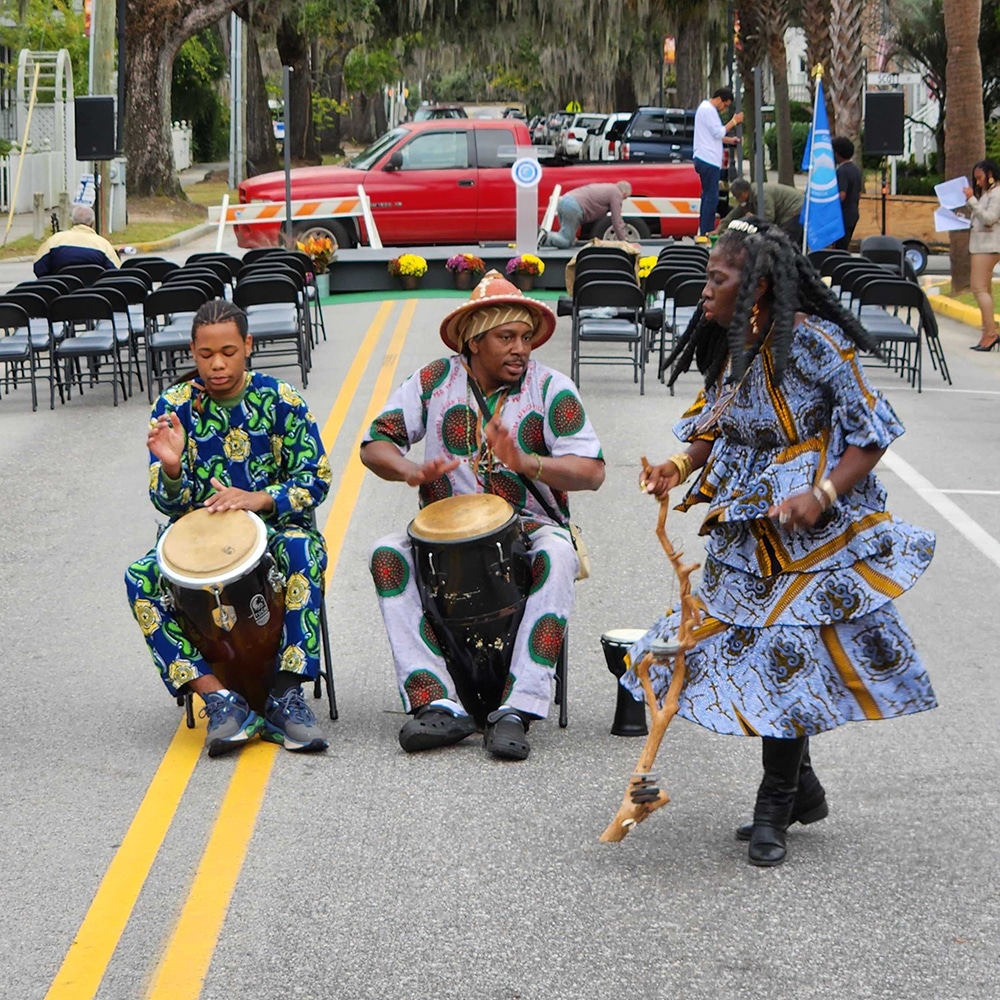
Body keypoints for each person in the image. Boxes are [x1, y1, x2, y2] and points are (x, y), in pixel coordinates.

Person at [624, 218, 937, 867]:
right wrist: (676, 469)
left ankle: (775, 803)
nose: (705, 290)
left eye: (718, 278)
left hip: (814, 526)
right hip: (750, 526)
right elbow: (715, 421)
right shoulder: (732, 339)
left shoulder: (814, 343)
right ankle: (804, 789)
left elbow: (869, 434)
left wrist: (820, 494)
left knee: (782, 654)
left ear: (760, 285)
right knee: (747, 650)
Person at [361, 271, 605, 760]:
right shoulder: (433, 381)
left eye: (526, 338)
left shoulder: (551, 388)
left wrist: (526, 462)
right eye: (506, 337)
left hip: (527, 526)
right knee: (386, 553)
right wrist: (410, 469)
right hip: (442, 533)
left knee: (557, 554)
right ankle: (436, 701)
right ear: (474, 341)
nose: (520, 349)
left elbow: (592, 470)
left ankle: (519, 707)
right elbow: (375, 443)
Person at [124, 299, 331, 757]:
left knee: (305, 553)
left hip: (273, 531)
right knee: (137, 577)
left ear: (248, 347)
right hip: (198, 539)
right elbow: (164, 500)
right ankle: (219, 699)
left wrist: (259, 499)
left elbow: (316, 478)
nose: (217, 364)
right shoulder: (174, 406)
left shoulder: (281, 400)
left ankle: (286, 694)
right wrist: (173, 468)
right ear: (194, 352)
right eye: (205, 354)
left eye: (229, 352)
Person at [693, 87, 743, 237]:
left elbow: (713, 135)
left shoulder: (704, 109)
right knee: (711, 197)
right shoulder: (709, 110)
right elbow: (718, 131)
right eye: (725, 105)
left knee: (708, 195)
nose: (724, 109)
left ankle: (704, 229)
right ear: (720, 99)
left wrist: (729, 140)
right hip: (708, 159)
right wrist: (735, 121)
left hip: (704, 157)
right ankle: (706, 231)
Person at [962, 159, 1000, 351]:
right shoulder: (989, 193)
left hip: (987, 246)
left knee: (978, 289)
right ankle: (988, 331)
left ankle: (991, 333)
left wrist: (971, 199)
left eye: (980, 178)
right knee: (985, 289)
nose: (977, 183)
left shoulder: (997, 193)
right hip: (981, 244)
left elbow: (989, 219)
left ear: (990, 175)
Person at [33, 204, 121, 276]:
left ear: (72, 222)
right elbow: (116, 273)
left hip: (60, 295)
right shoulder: (103, 245)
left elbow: (38, 268)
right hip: (95, 296)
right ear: (92, 224)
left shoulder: (54, 241)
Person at [543, 181, 632, 249]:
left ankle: (543, 235)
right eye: (625, 198)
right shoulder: (616, 194)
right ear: (624, 193)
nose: (622, 200)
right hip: (574, 207)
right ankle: (543, 236)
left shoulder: (608, 188)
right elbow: (617, 221)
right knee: (566, 241)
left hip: (565, 200)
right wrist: (624, 242)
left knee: (568, 239)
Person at [714, 178, 804, 243]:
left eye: (738, 196)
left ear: (745, 192)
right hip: (786, 211)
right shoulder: (748, 197)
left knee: (785, 240)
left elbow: (768, 218)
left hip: (794, 209)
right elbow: (734, 214)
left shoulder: (761, 195)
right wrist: (719, 229)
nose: (737, 200)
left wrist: (753, 218)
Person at [833, 136, 862, 251]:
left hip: (843, 216)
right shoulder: (855, 170)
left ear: (837, 153)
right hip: (853, 213)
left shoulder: (842, 171)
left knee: (839, 249)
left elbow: (841, 195)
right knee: (844, 246)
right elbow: (858, 193)